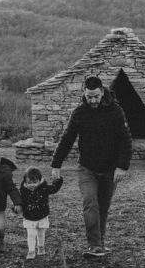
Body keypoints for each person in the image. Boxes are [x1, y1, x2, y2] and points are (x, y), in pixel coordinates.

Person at [50, 76, 132, 258]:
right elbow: (67, 139)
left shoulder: (116, 111)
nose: (93, 100)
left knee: (103, 207)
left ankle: (99, 243)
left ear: (102, 92)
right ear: (84, 94)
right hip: (87, 167)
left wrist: (122, 166)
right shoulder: (79, 113)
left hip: (110, 168)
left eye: (95, 96)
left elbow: (125, 140)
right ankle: (94, 245)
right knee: (90, 203)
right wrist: (56, 164)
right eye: (89, 97)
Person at [18, 165, 63, 259]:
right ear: (25, 181)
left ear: (39, 180)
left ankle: (41, 247)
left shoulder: (44, 188)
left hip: (42, 215)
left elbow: (54, 189)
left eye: (35, 182)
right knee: (31, 234)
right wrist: (17, 208)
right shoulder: (23, 191)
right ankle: (31, 251)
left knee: (41, 233)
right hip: (29, 216)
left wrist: (57, 180)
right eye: (29, 182)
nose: (32, 185)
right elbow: (20, 202)